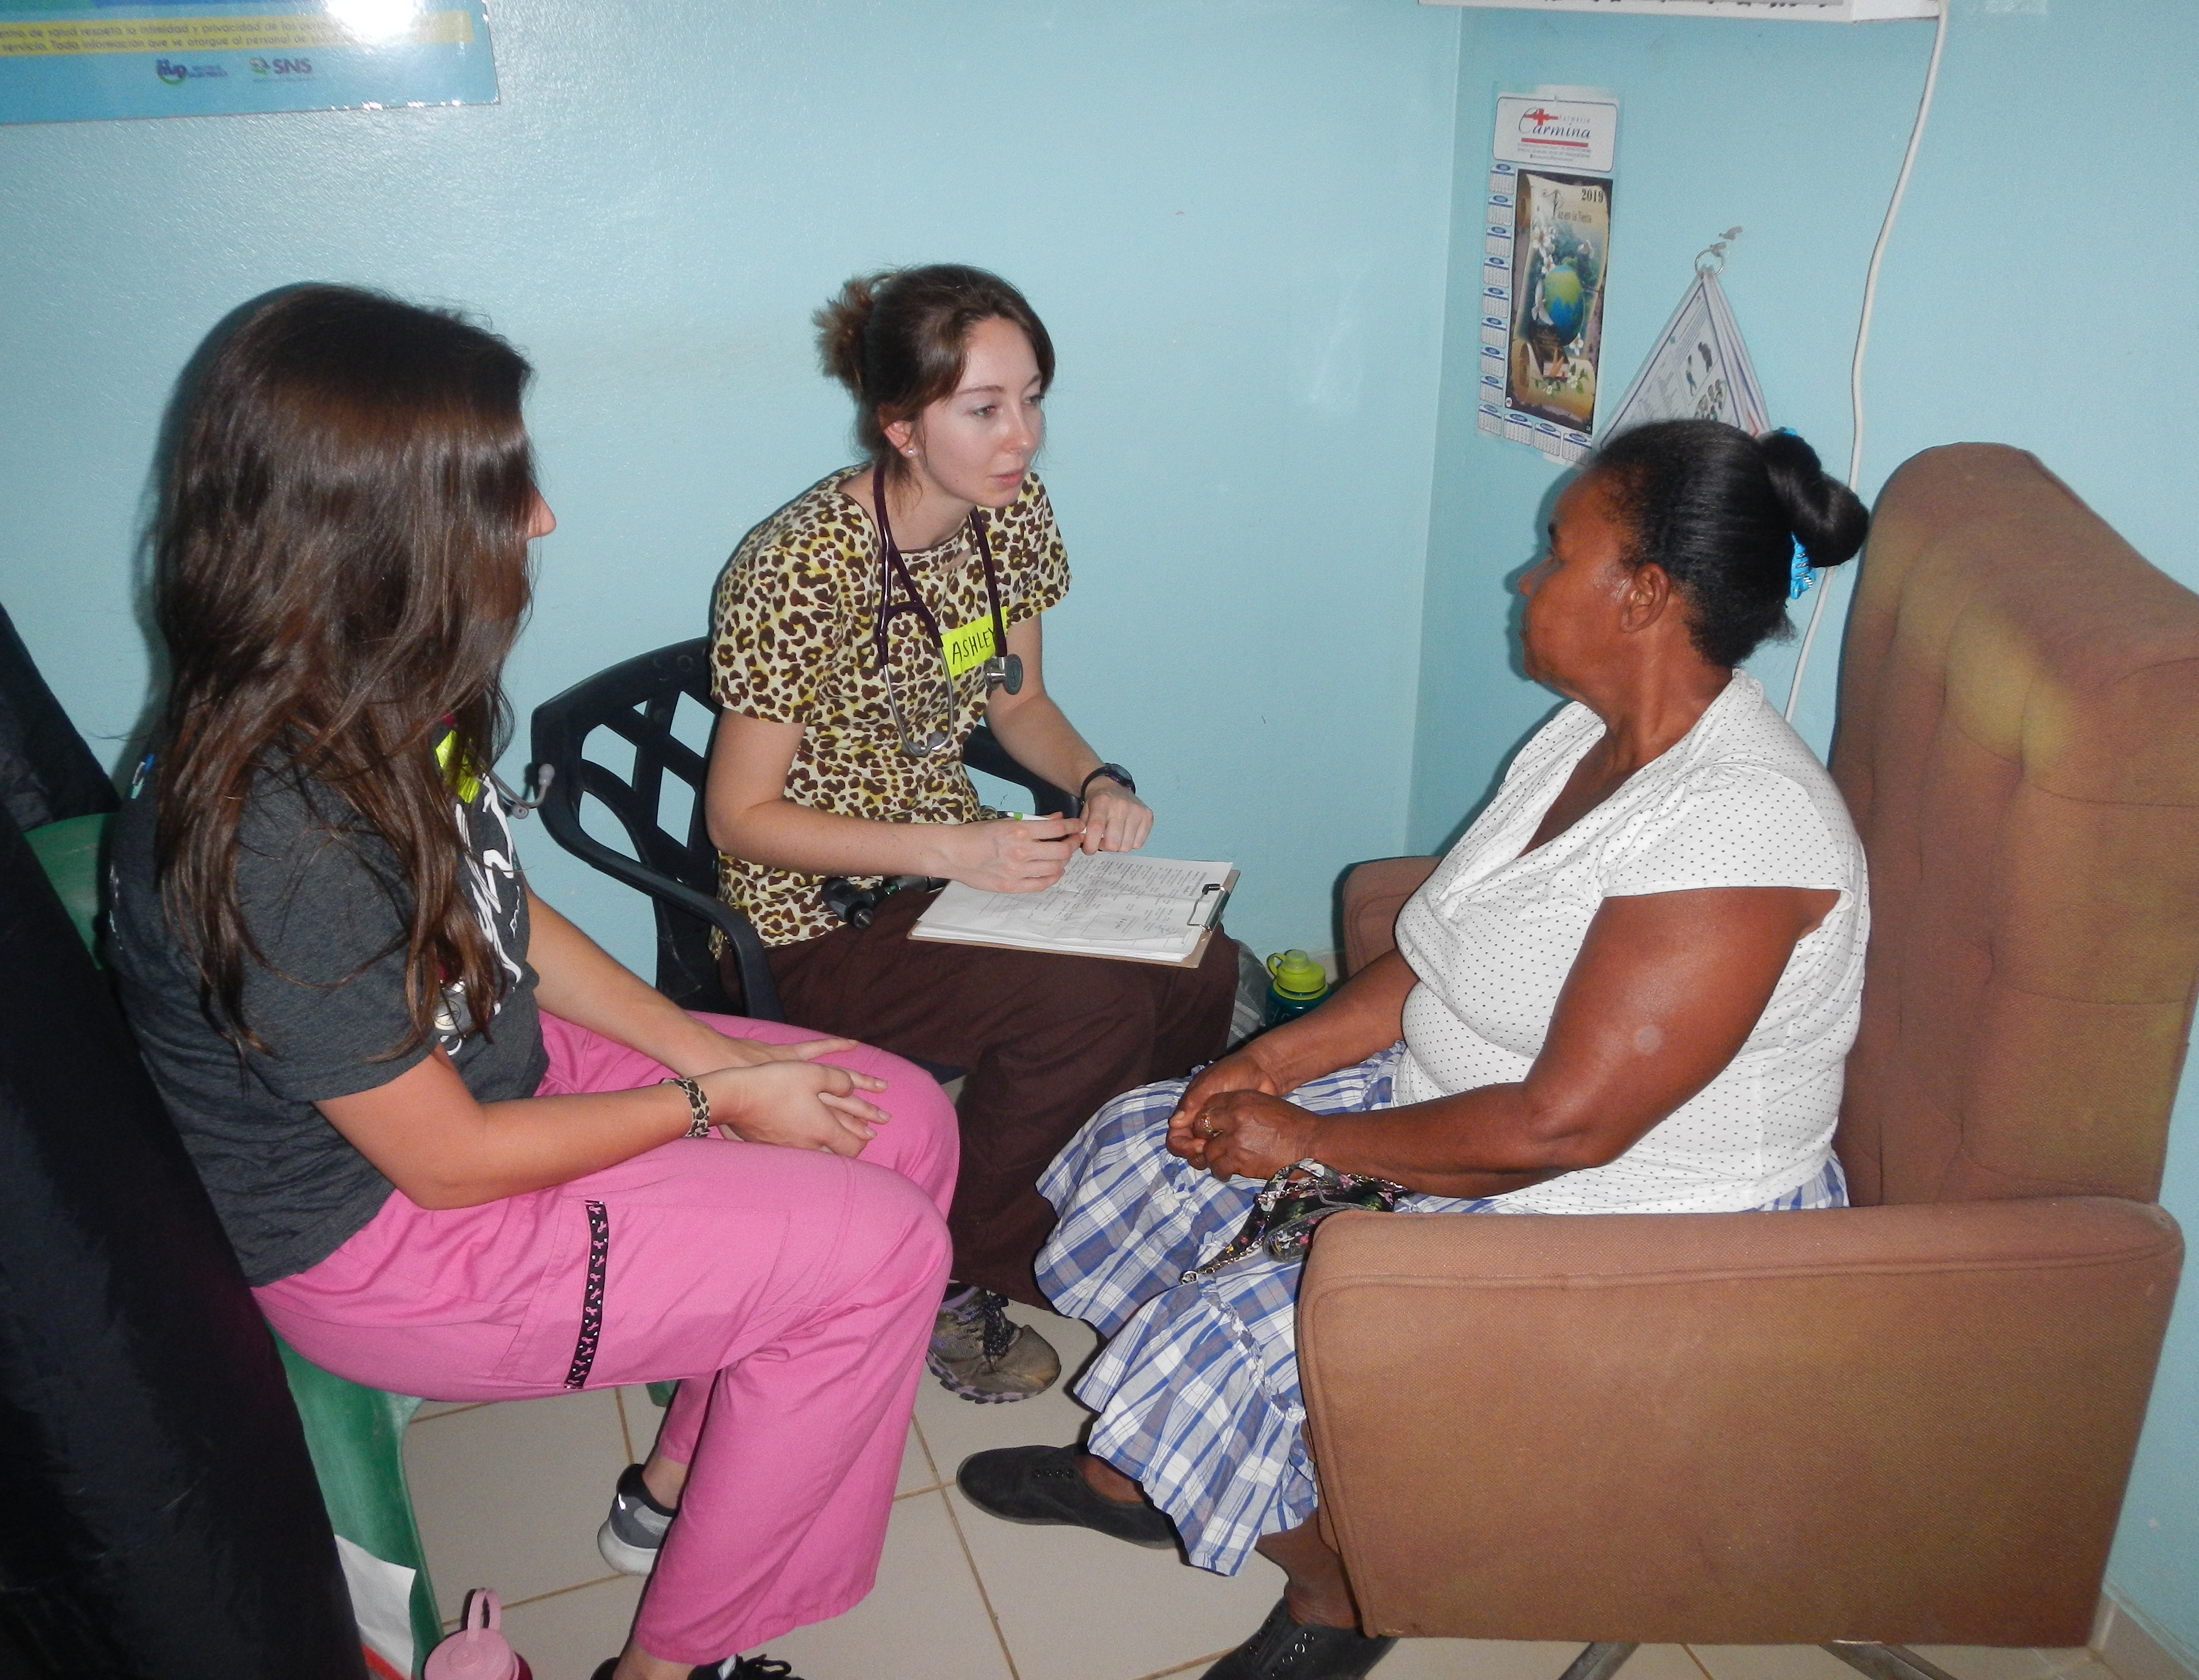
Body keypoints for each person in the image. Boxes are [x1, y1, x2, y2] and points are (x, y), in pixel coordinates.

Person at [105, 285, 958, 1680]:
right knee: (877, 1260)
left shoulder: (377, 689)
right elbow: (447, 1167)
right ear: (376, 524)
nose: (542, 516)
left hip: (488, 1089)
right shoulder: (279, 830)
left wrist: (708, 1061)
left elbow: (504, 913)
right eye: (505, 485)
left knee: (898, 1116)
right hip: (391, 1239)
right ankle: (671, 1663)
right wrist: (713, 1103)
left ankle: (673, 1491)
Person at [957, 420, 1874, 1680]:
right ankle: (1143, 1472)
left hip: (1634, 1214)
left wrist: (1317, 1142)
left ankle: (1341, 1592)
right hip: (1487, 1111)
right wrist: (1268, 1068)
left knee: (1234, 1336)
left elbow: (1569, 1128)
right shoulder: (1586, 736)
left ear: (1645, 596)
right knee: (1151, 1143)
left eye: (1558, 552)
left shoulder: (1742, 831)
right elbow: (1439, 952)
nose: (1524, 580)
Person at [704, 263, 1238, 1402]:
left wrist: (1098, 780)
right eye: (985, 409)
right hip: (819, 921)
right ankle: (965, 1261)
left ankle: (1117, 1202)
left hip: (956, 861)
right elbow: (740, 819)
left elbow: (1016, 702)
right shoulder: (798, 565)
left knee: (1206, 963)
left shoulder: (1009, 519)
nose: (1024, 437)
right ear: (901, 427)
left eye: (1033, 397)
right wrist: (955, 853)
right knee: (1084, 1009)